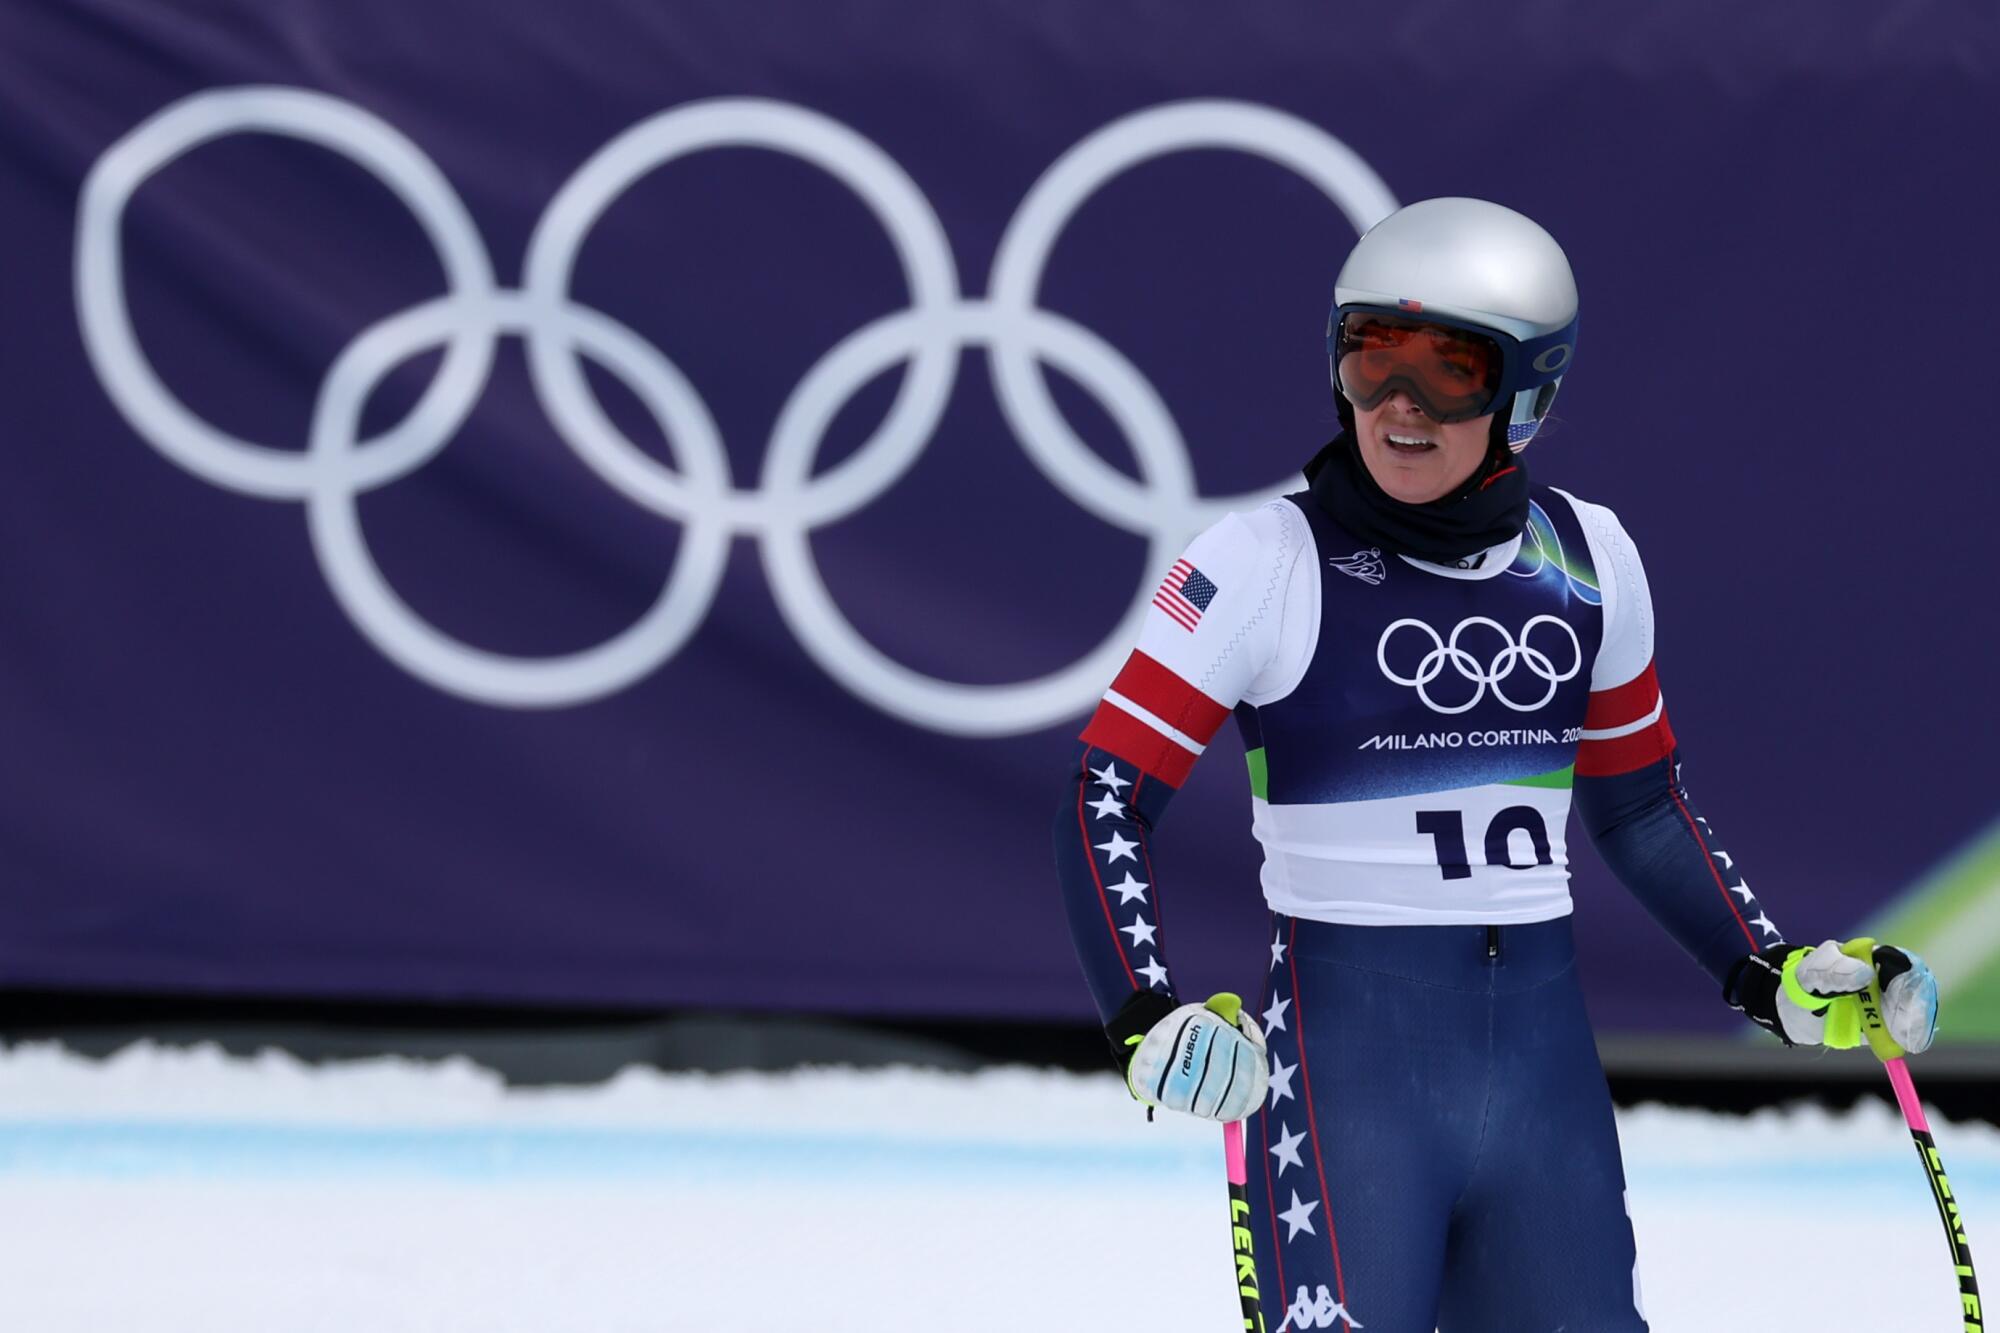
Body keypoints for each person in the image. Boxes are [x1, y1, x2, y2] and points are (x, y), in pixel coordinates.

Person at [1051, 197, 1940, 1332]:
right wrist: (1142, 1015)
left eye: (1449, 372)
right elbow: (1104, 793)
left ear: (1527, 393)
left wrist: (1765, 971)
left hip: (1539, 1073)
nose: (1398, 407)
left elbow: (1640, 808)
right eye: (1371, 360)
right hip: (1347, 1062)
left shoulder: (1586, 558)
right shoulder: (1263, 560)